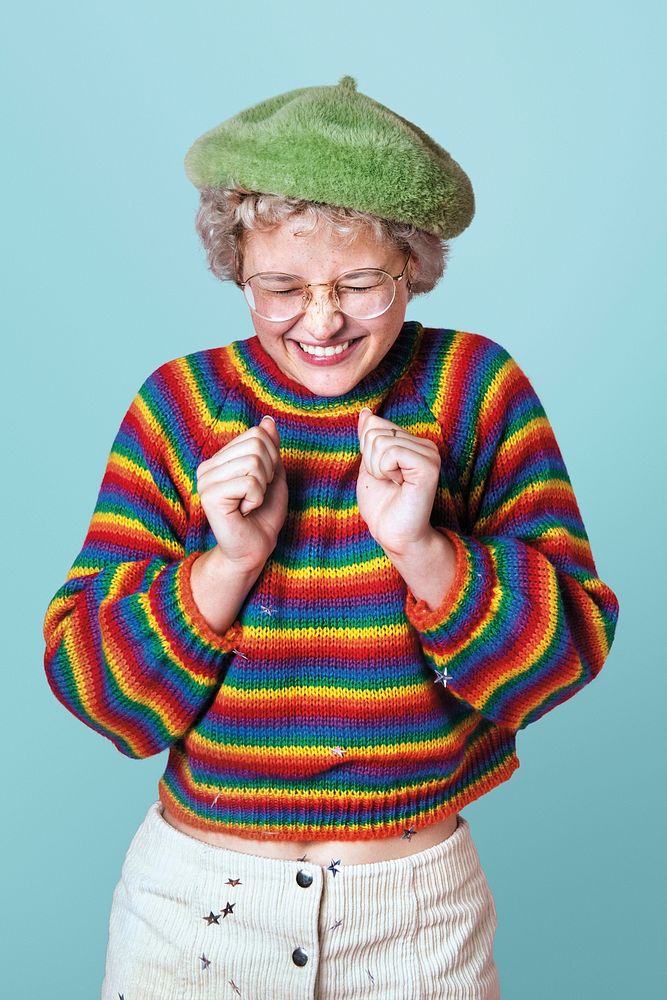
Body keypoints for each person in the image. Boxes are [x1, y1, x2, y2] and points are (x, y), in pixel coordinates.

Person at [42, 76, 619, 1000]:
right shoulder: (181, 405)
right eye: (279, 286)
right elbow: (100, 696)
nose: (319, 320)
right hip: (195, 912)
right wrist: (227, 565)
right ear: (237, 268)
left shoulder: (473, 389)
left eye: (359, 284)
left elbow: (564, 657)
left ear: (413, 264)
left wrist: (423, 551)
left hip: (416, 918)